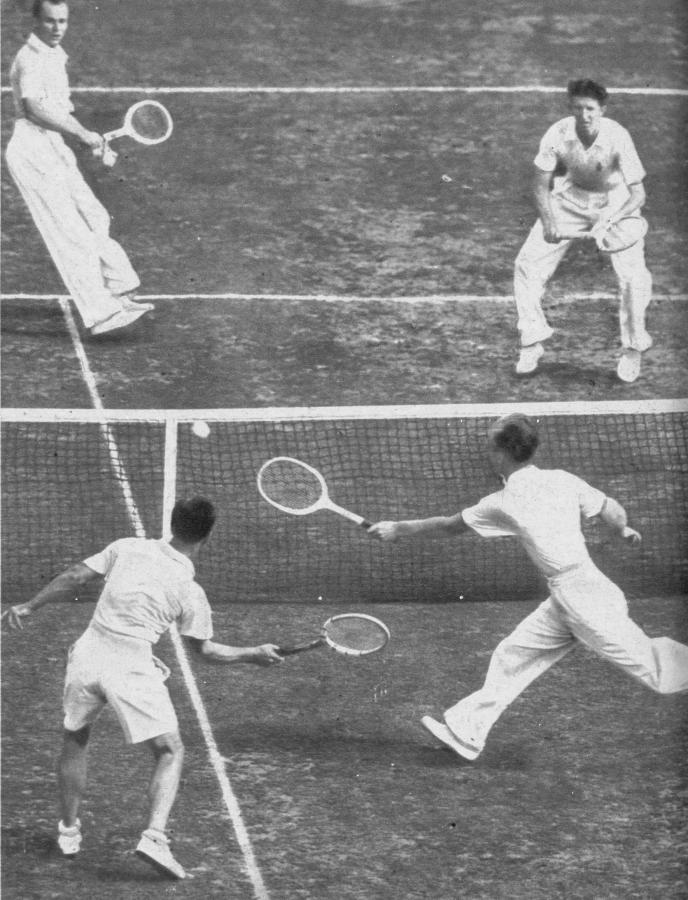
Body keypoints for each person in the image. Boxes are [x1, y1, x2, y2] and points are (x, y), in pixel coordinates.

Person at [368, 414, 688, 762]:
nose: (487, 451)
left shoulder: (502, 502)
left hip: (584, 600)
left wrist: (398, 528)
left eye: (491, 444)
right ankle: (467, 732)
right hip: (573, 593)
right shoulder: (562, 479)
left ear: (502, 453)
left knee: (656, 671)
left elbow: (448, 526)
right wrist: (623, 530)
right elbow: (611, 509)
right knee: (514, 654)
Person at [2, 496, 284, 880]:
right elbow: (205, 652)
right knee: (170, 750)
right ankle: (154, 837)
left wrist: (30, 606)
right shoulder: (189, 590)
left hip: (86, 654)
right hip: (131, 666)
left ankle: (68, 831)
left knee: (75, 738)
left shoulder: (127, 546)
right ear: (208, 535)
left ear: (171, 522)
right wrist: (254, 652)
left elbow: (74, 575)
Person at [5, 0, 153, 336]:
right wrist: (83, 134)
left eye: (63, 21)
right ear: (36, 21)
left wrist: (93, 143)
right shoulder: (30, 59)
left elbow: (59, 113)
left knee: (95, 216)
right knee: (71, 233)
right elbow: (33, 110)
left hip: (52, 146)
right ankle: (100, 313)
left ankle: (118, 290)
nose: (57, 28)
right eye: (50, 21)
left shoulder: (56, 56)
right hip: (32, 151)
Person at [513, 79, 653, 383]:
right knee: (526, 264)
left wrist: (613, 217)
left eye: (590, 108)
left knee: (633, 278)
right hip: (570, 199)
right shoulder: (558, 132)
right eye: (578, 107)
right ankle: (532, 341)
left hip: (616, 204)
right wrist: (549, 221)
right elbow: (540, 183)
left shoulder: (618, 136)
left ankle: (632, 350)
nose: (584, 114)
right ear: (570, 107)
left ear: (602, 109)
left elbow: (638, 194)